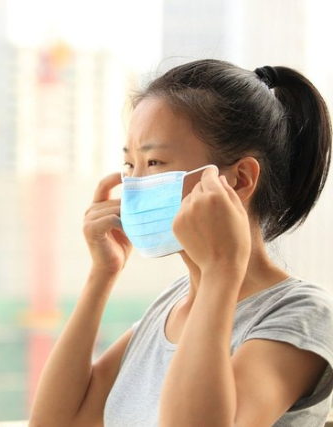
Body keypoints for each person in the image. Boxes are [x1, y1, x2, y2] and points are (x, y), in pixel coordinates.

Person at [28, 59, 333, 427]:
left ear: (239, 180)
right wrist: (102, 275)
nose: (134, 185)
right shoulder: (171, 304)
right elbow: (57, 422)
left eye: (155, 162)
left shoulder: (302, 314)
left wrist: (222, 270)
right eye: (130, 165)